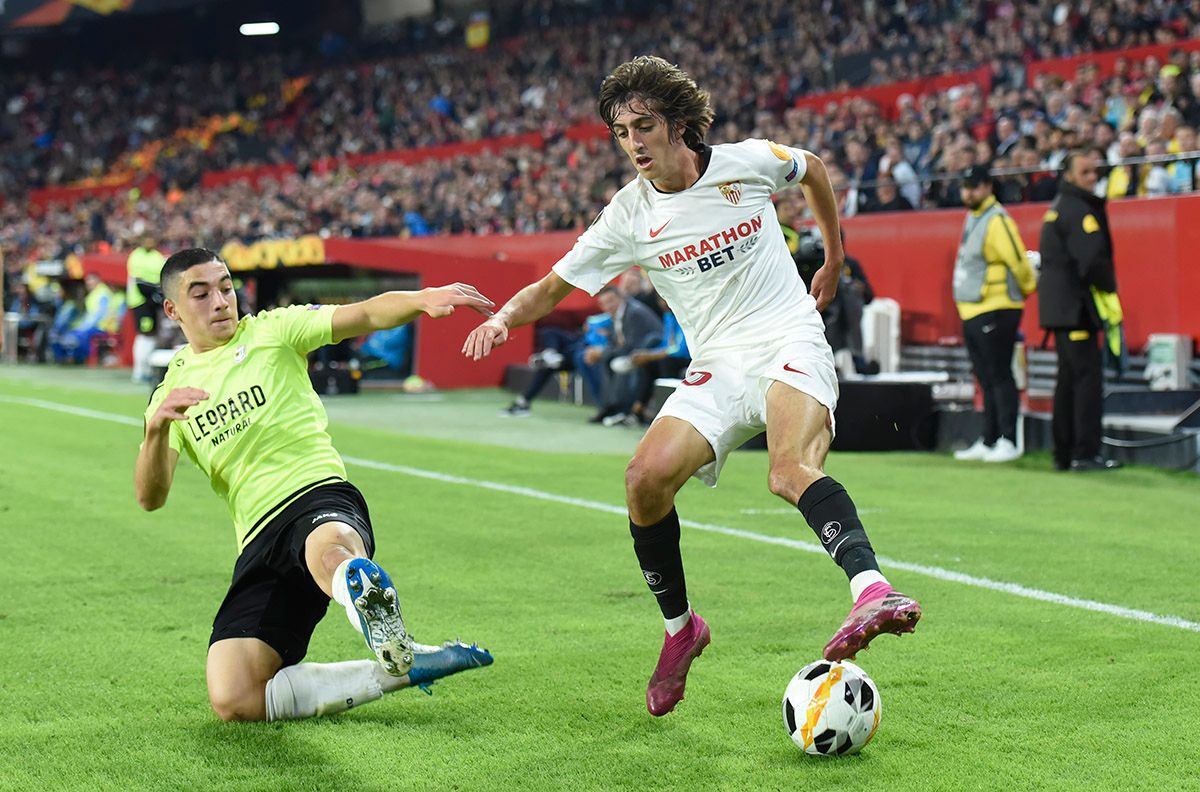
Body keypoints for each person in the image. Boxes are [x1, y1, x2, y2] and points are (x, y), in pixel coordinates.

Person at [462, 56, 921, 717]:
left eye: (643, 126)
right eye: (622, 133)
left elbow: (813, 168)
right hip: (717, 364)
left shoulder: (746, 163)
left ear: (678, 124)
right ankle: (682, 631)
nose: (633, 144)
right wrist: (504, 317)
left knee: (787, 469)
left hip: (788, 336)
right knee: (643, 479)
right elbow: (554, 286)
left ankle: (873, 590)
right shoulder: (628, 215)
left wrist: (835, 254)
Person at [134, 248, 496, 722]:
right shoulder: (171, 393)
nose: (221, 300)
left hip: (316, 494)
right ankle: (400, 665)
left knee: (329, 553)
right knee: (236, 697)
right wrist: (156, 430)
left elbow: (361, 313)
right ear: (172, 310)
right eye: (200, 294)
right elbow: (150, 497)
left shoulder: (273, 330)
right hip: (257, 540)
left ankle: (366, 595)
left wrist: (420, 298)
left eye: (225, 286)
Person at [1038, 151, 1123, 471]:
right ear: (1069, 175)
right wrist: (1110, 289)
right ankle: (1085, 453)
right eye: (1085, 172)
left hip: (1060, 309)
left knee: (1068, 380)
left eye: (1095, 171)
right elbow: (1092, 262)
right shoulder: (1080, 211)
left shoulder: (1059, 207)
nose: (1093, 177)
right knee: (1086, 380)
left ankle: (1064, 453)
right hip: (1075, 309)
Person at [951, 164, 1037, 464]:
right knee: (986, 377)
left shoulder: (997, 220)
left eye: (973, 186)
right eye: (965, 187)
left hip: (997, 308)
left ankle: (1009, 440)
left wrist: (1027, 288)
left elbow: (1017, 258)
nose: (968, 193)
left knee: (1000, 375)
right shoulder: (975, 218)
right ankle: (989, 439)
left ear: (988, 187)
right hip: (974, 308)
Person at [585, 285, 663, 425]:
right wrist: (600, 352)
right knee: (606, 359)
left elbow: (631, 345)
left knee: (615, 362)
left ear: (620, 297)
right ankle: (609, 407)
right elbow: (617, 343)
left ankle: (621, 409)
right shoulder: (618, 315)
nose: (608, 306)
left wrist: (602, 353)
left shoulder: (634, 313)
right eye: (604, 303)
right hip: (635, 353)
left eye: (611, 301)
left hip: (652, 356)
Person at [127, 236, 167, 384]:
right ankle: (140, 370)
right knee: (145, 334)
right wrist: (154, 295)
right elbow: (139, 282)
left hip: (152, 302)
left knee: (152, 334)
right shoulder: (136, 256)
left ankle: (147, 370)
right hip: (141, 301)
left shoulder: (157, 257)